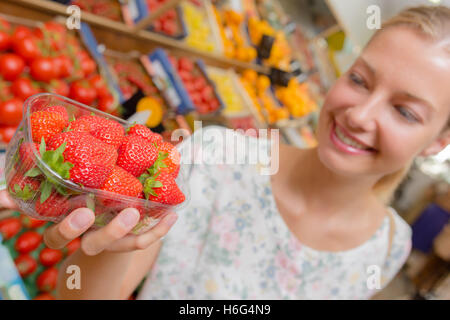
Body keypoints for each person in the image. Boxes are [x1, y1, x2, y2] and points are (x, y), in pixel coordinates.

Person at [1, 6, 449, 299]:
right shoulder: (213, 156)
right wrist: (109, 247)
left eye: (405, 112)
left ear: (437, 143)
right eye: (359, 80)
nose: (359, 114)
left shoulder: (389, 246)